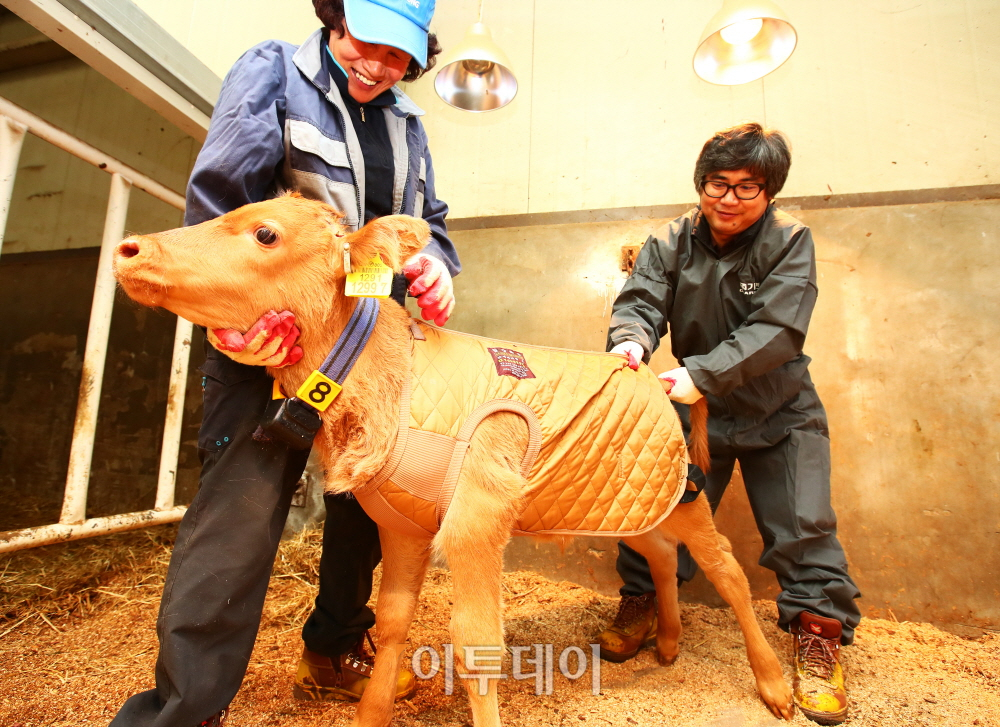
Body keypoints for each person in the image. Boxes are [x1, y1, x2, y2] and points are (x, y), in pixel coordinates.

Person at [111, 1, 459, 725]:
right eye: (369, 41)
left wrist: (439, 268)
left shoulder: (409, 124)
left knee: (367, 508)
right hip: (266, 347)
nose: (378, 65)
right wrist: (235, 327)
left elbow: (433, 222)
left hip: (366, 349)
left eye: (399, 55)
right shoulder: (274, 71)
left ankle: (331, 650)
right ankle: (184, 709)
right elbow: (221, 209)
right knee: (239, 514)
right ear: (336, 17)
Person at [600, 123, 861, 726]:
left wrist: (705, 373)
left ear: (770, 193)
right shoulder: (669, 240)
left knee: (804, 522)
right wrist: (631, 346)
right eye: (718, 183)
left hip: (781, 408)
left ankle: (817, 638)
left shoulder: (790, 240)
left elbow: (778, 329)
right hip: (697, 412)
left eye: (749, 187)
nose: (729, 198)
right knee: (654, 507)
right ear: (701, 184)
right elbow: (640, 300)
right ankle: (641, 600)